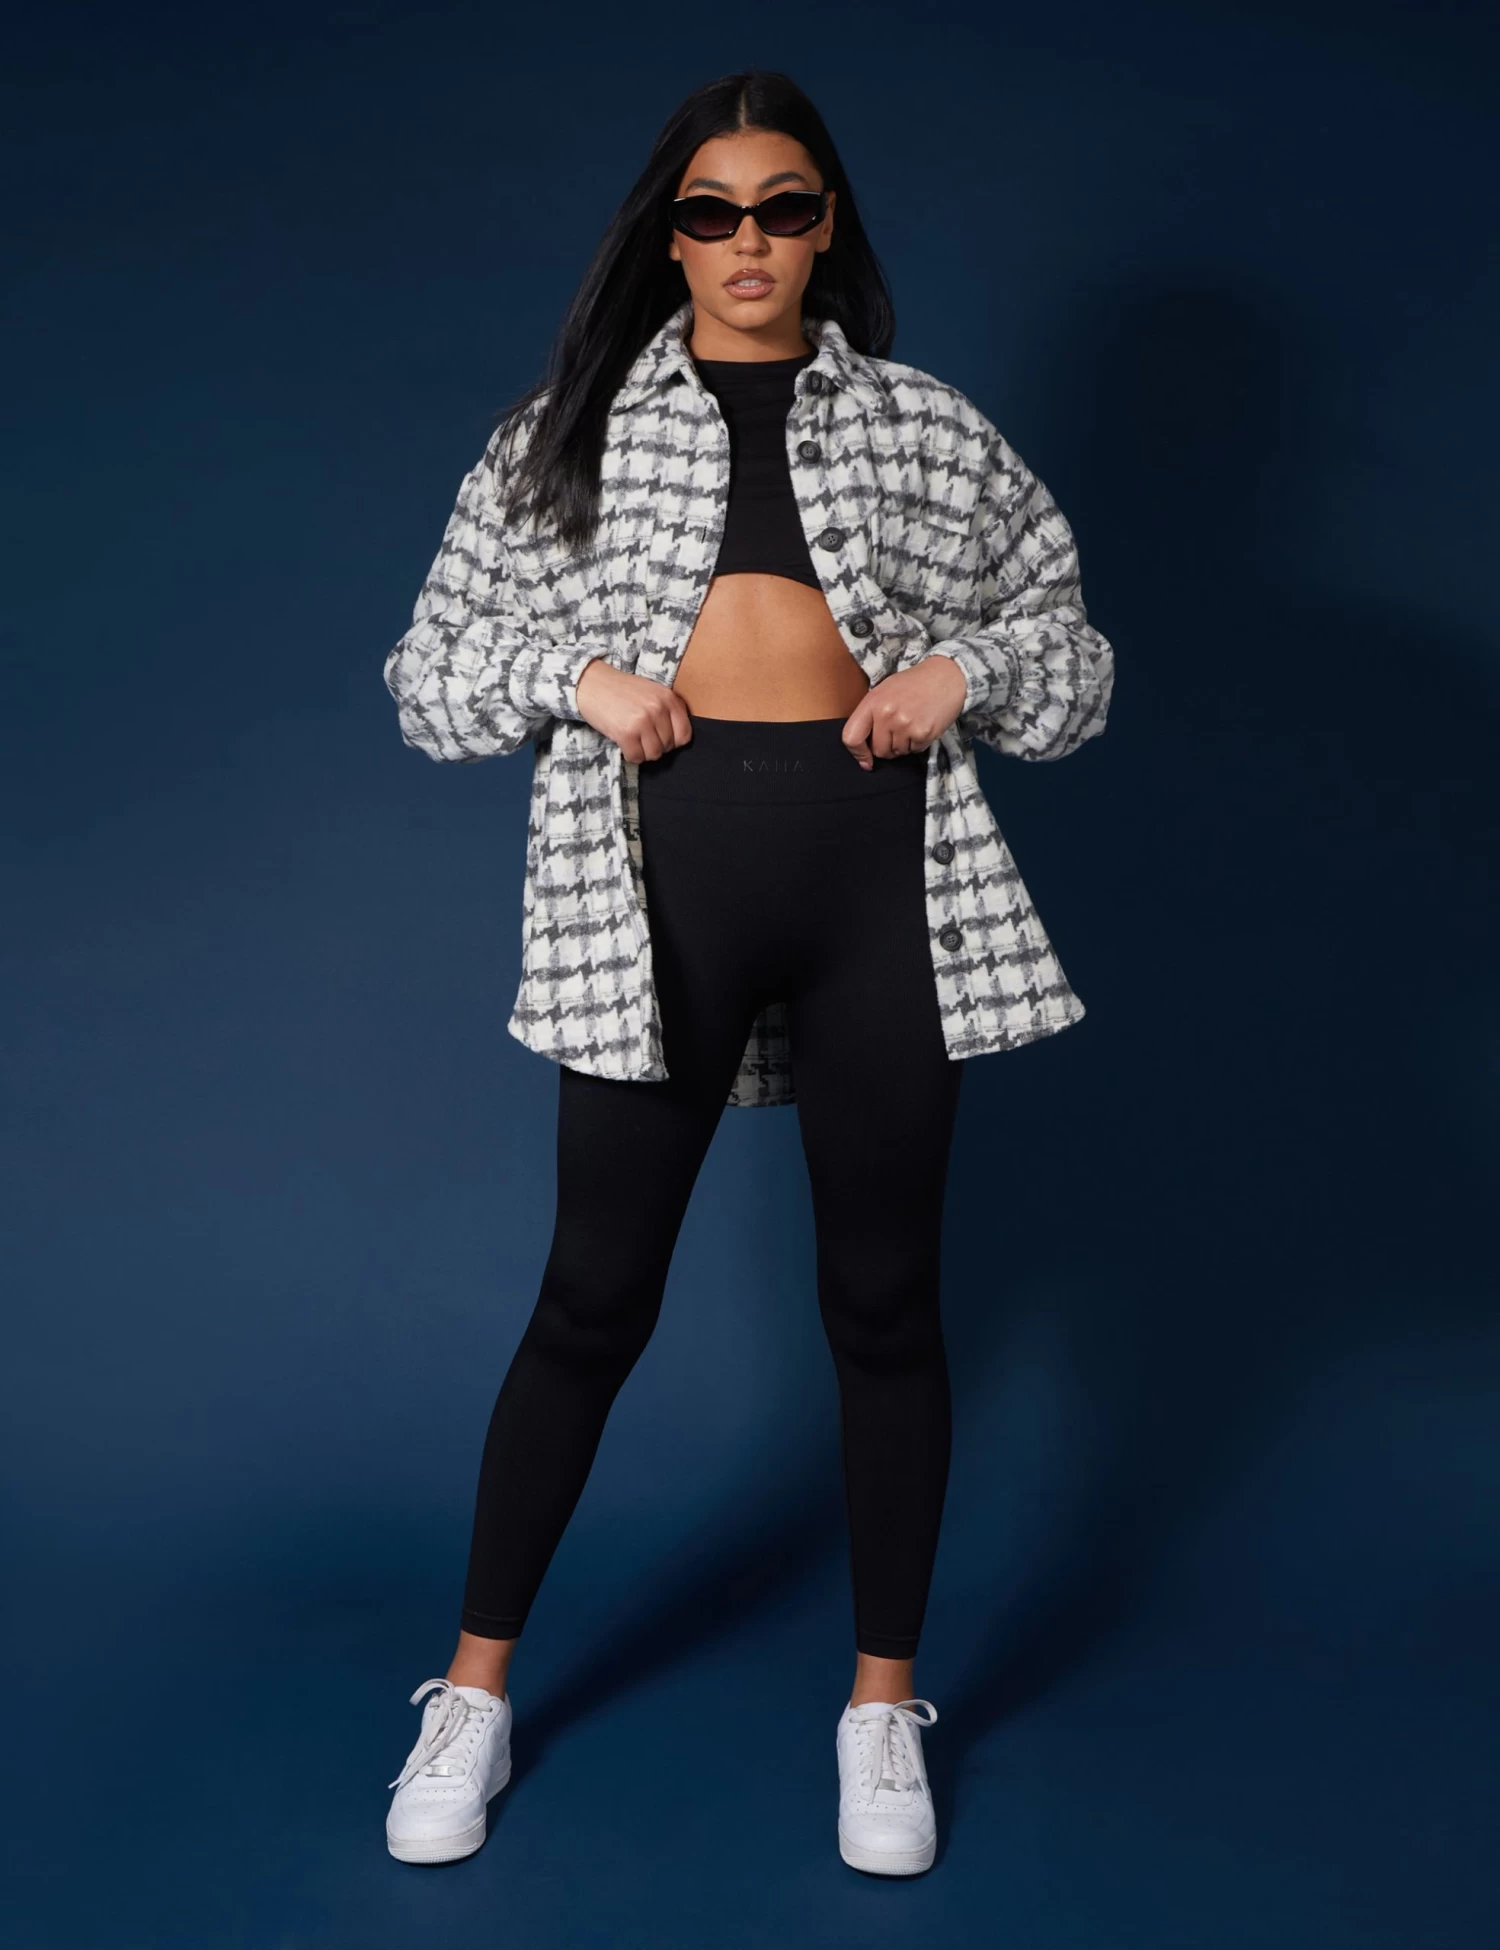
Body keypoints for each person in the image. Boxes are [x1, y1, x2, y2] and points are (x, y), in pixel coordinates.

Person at [380, 69, 1114, 1876]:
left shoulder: (929, 430)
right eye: (712, 213)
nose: (749, 243)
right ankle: (470, 1692)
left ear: (827, 224)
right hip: (658, 885)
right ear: (670, 235)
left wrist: (967, 674)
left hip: (886, 883)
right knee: (590, 1299)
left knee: (886, 1303)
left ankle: (883, 1707)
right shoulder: (561, 436)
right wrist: (572, 676)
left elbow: (1074, 654)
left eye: (785, 207)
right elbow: (426, 677)